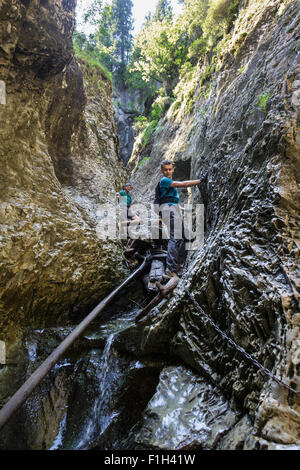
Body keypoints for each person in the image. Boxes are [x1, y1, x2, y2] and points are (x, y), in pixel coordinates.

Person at [157, 160, 207, 278]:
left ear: (173, 169)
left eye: (170, 169)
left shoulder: (168, 185)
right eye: (165, 170)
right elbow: (183, 184)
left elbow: (169, 199)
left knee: (188, 236)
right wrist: (200, 180)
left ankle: (178, 263)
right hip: (169, 211)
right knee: (175, 237)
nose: (168, 172)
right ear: (161, 171)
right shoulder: (165, 180)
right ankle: (170, 269)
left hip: (172, 209)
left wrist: (181, 209)